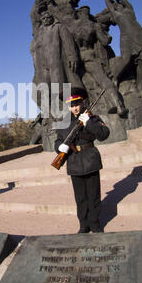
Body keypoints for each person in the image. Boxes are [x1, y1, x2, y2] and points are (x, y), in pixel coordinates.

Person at [54, 88, 110, 233]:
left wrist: (89, 124)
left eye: (77, 103)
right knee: (80, 198)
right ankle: (83, 225)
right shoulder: (64, 122)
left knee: (94, 196)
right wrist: (59, 147)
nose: (74, 108)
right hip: (74, 161)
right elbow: (58, 140)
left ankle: (95, 224)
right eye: (71, 105)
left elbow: (104, 135)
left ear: (82, 102)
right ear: (67, 106)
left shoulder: (92, 118)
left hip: (90, 159)